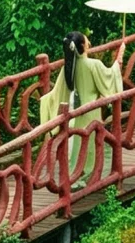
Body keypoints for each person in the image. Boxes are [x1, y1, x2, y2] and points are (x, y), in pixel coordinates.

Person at [39, 31, 125, 181]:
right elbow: (110, 77)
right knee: (90, 144)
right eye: (87, 41)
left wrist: (45, 102)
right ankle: (87, 176)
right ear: (83, 46)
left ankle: (74, 175)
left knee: (78, 145)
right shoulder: (94, 64)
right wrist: (119, 58)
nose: (89, 43)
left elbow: (56, 93)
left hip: (76, 112)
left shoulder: (69, 67)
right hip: (91, 112)